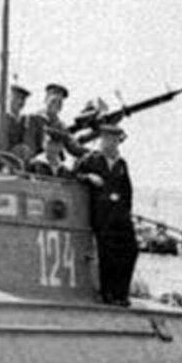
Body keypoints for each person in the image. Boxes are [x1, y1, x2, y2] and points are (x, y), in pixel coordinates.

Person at [74, 124, 138, 306]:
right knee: (107, 254)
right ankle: (107, 293)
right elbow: (74, 174)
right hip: (102, 214)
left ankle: (122, 292)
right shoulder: (91, 160)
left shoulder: (121, 164)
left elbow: (127, 191)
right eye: (107, 139)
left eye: (114, 140)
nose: (109, 143)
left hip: (120, 215)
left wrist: (127, 213)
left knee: (131, 250)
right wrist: (89, 177)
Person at [24, 83, 86, 161]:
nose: (56, 105)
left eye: (59, 103)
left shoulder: (61, 126)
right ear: (46, 99)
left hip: (54, 163)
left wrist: (93, 153)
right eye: (53, 101)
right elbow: (29, 146)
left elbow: (74, 148)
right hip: (36, 162)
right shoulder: (34, 119)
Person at [0, 83, 30, 162]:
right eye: (16, 97)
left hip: (15, 160)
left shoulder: (22, 121)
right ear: (9, 98)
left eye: (22, 99)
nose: (20, 101)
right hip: (0, 159)